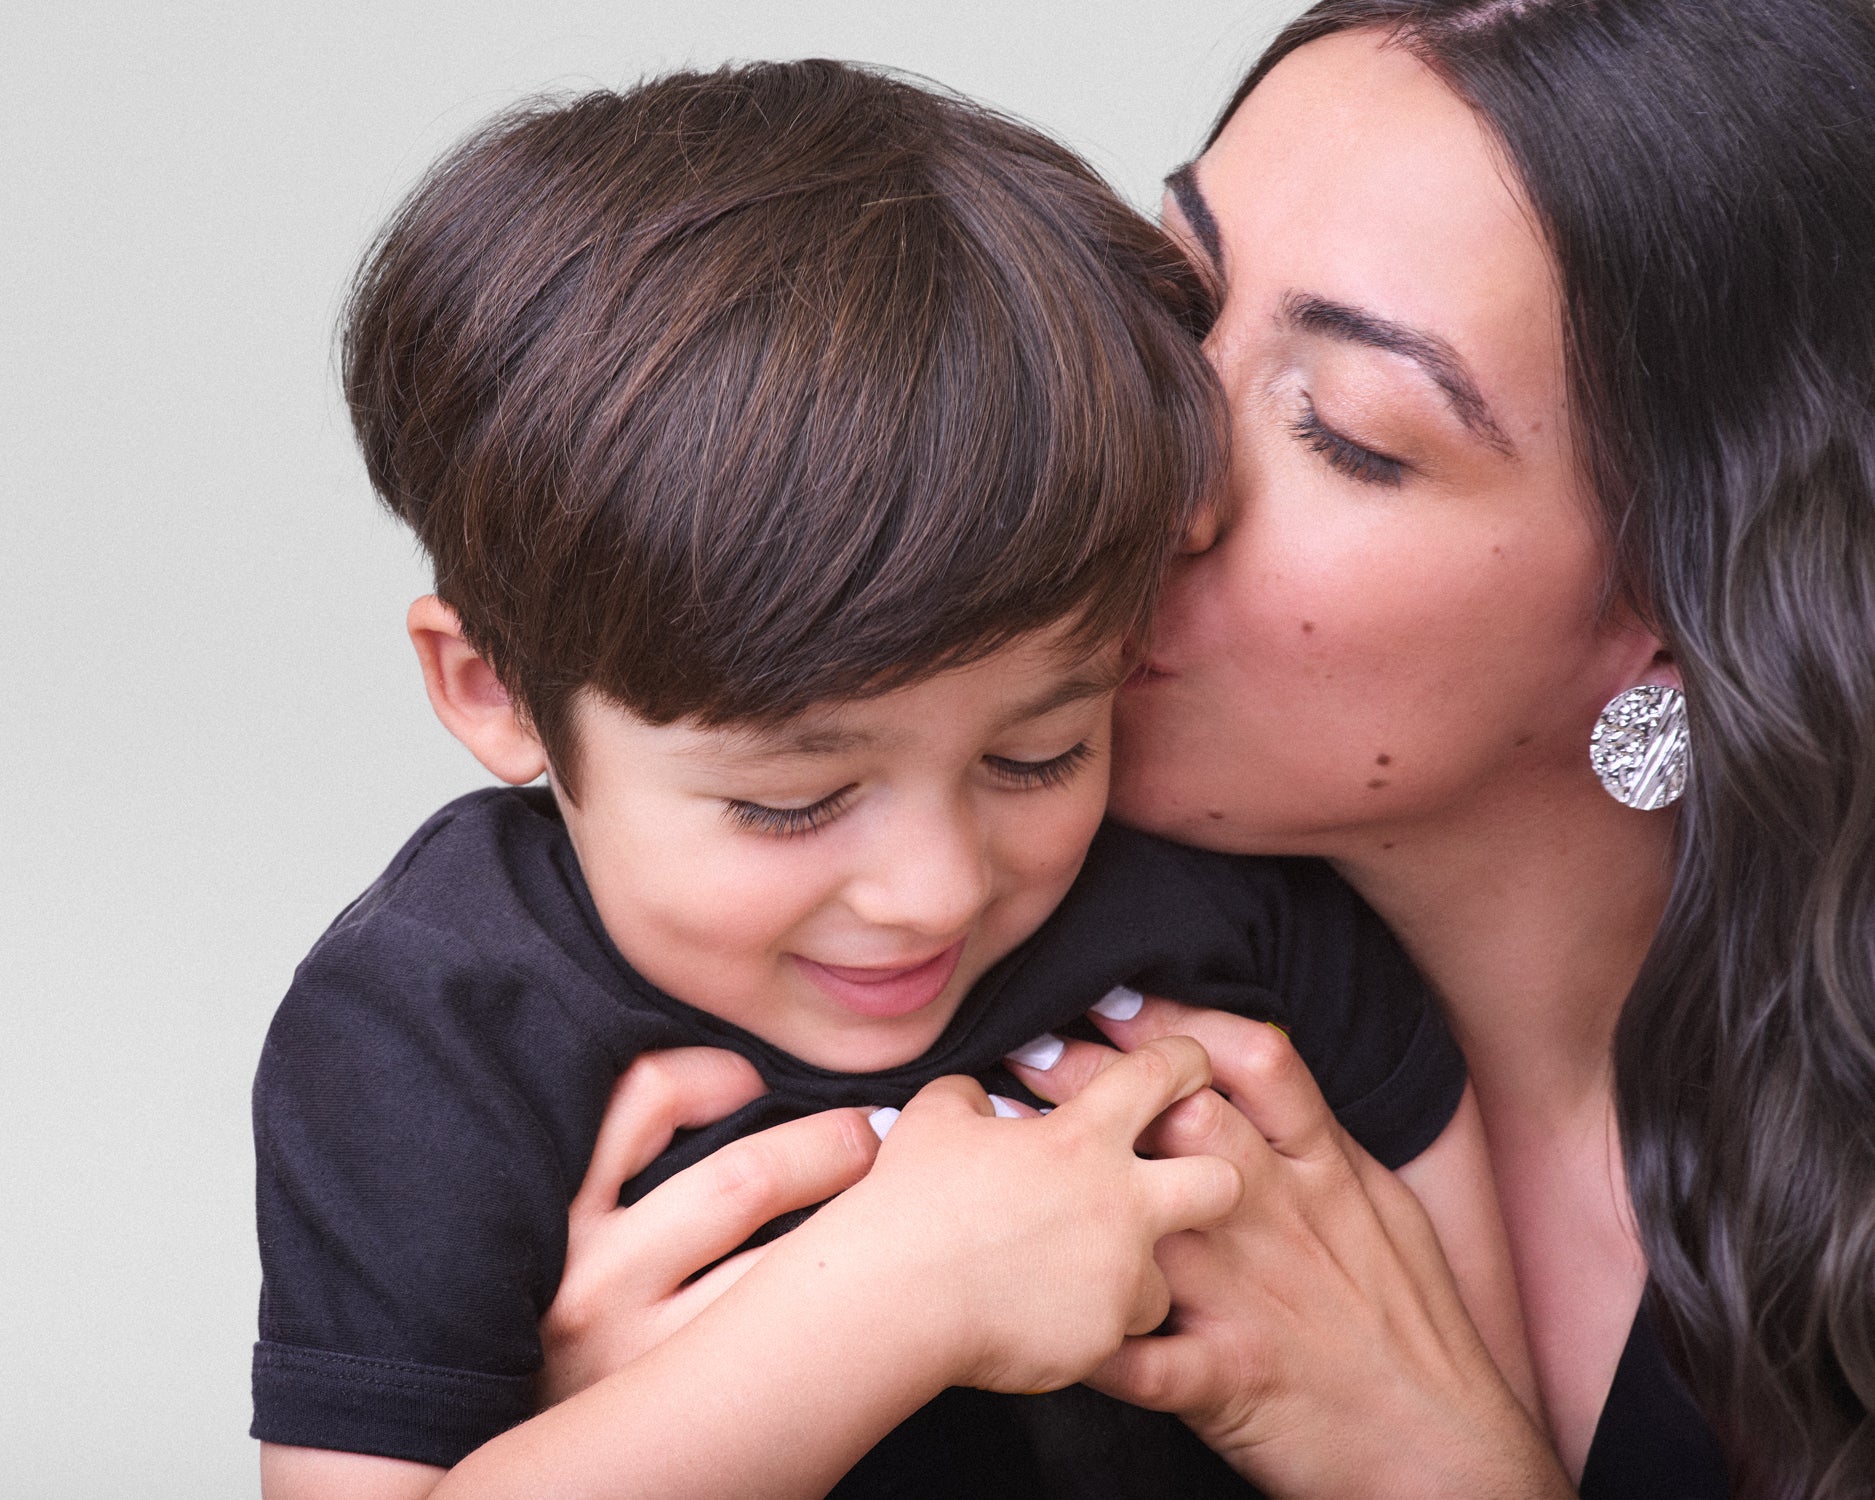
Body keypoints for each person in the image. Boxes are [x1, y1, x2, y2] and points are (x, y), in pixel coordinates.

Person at [550, 2, 1875, 1496]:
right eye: (1171, 302)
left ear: (1679, 603)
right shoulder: (864, 944)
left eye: (1349, 431)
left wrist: (1435, 1468)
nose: (1154, 467)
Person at [251, 59, 1528, 1500]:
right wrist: (892, 1304)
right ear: (495, 693)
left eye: (1039, 753)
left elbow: (1475, 1417)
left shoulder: (1233, 910)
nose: (936, 889)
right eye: (791, 800)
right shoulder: (434, 1025)